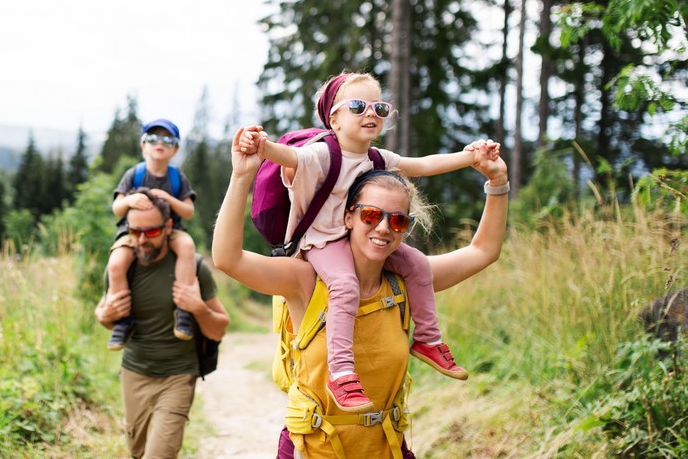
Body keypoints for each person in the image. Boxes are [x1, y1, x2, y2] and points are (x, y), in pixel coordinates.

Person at [215, 125, 509, 457]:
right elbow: (228, 259)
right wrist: (241, 176)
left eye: (398, 221)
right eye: (371, 215)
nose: (384, 228)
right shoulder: (306, 280)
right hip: (314, 449)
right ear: (348, 217)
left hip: (387, 448)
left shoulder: (408, 282)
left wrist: (497, 183)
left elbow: (483, 252)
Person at [240, 71, 499, 412]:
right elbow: (289, 158)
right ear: (334, 118)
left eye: (380, 107)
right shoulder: (321, 154)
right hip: (322, 244)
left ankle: (427, 340)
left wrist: (471, 158)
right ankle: (342, 372)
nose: (371, 114)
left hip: (354, 239)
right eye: (359, 106)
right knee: (345, 285)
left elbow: (420, 165)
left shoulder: (376, 159)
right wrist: (260, 146)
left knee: (418, 263)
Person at [95, 187, 230, 459]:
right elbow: (105, 314)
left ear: (168, 227)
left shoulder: (194, 268)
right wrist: (104, 315)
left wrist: (197, 308)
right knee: (138, 451)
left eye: (152, 232)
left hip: (178, 376)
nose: (142, 240)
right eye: (134, 232)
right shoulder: (122, 267)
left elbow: (220, 326)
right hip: (135, 373)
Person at [107, 118, 199, 350]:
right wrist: (128, 199)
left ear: (175, 149)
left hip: (171, 229)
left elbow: (188, 211)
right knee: (117, 264)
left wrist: (169, 199)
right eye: (153, 139)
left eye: (167, 140)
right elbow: (117, 208)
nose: (160, 144)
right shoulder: (134, 175)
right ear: (143, 145)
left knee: (187, 248)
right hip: (134, 232)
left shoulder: (177, 177)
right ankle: (123, 320)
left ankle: (183, 311)